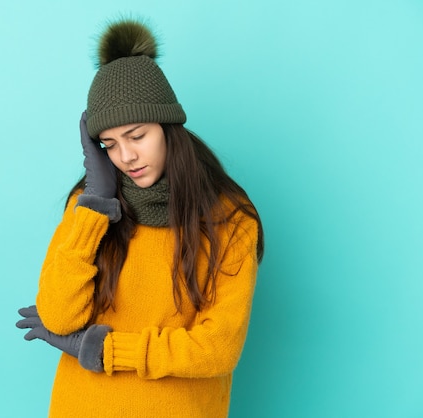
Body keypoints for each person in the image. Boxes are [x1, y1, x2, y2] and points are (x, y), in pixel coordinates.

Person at [16, 18, 264, 417]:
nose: (126, 157)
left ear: (168, 126)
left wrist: (104, 349)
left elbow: (218, 349)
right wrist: (95, 205)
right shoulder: (91, 206)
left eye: (137, 135)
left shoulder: (229, 220)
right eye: (109, 144)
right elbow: (60, 317)